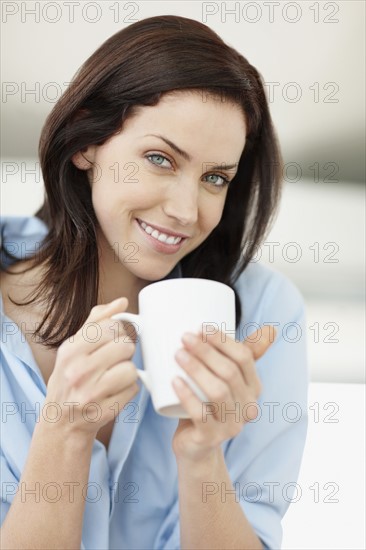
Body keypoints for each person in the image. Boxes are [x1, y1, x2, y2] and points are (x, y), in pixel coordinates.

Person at [0, 15, 308, 550]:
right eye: (160, 159)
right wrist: (63, 434)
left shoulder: (262, 311)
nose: (187, 211)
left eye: (216, 178)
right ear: (85, 142)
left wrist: (201, 457)